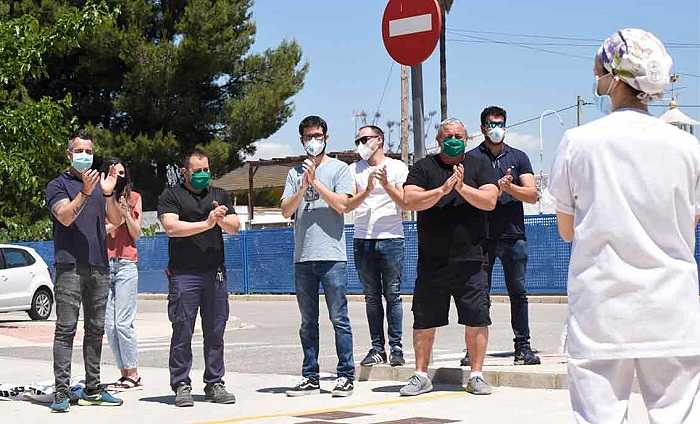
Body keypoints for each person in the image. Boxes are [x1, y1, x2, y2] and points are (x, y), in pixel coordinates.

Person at [549, 28, 700, 423]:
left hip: (603, 309)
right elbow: (691, 219)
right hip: (672, 308)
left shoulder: (578, 141)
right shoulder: (688, 147)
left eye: (599, 66)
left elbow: (567, 230)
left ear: (615, 77)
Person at [400, 118, 498, 397]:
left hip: (472, 259)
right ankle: (421, 375)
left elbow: (489, 200)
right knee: (424, 320)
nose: (453, 138)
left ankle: (476, 375)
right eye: (448, 135)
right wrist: (442, 190)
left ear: (466, 139)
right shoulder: (423, 167)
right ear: (438, 139)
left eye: (458, 135)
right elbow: (410, 199)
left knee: (477, 317)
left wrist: (461, 188)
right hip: (433, 260)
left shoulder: (480, 165)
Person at [45, 130, 124, 412]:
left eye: (89, 151)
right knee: (65, 330)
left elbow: (117, 220)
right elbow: (65, 217)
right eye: (79, 151)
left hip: (99, 266)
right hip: (69, 267)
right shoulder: (57, 185)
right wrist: (85, 193)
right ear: (69, 154)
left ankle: (93, 388)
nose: (85, 156)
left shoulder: (99, 187)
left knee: (96, 330)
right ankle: (61, 392)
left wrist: (109, 192)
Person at [158, 149, 240, 407]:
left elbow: (235, 226)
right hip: (184, 274)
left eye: (206, 170)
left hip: (214, 273)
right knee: (182, 330)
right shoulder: (171, 196)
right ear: (185, 172)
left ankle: (214, 382)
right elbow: (171, 227)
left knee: (215, 330)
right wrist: (207, 223)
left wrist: (219, 219)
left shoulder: (219, 195)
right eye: (197, 171)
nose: (203, 175)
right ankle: (181, 384)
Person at [281, 115, 355, 398]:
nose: (314, 141)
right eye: (309, 137)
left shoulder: (339, 169)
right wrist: (303, 185)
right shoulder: (293, 173)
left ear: (326, 137)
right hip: (303, 257)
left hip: (332, 256)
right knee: (307, 322)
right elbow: (286, 210)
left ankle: (345, 375)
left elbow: (342, 205)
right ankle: (310, 376)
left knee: (339, 318)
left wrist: (317, 183)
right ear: (301, 140)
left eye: (318, 136)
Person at [465, 106, 540, 367]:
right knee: (478, 293)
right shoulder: (471, 158)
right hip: (481, 237)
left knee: (518, 292)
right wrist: (489, 194)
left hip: (513, 236)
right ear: (483, 127)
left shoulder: (519, 157)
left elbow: (532, 194)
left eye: (501, 123)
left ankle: (523, 347)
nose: (496, 128)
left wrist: (510, 188)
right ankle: (473, 350)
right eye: (491, 123)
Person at [347, 125, 409, 367]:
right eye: (358, 140)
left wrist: (385, 185)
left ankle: (396, 348)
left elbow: (405, 202)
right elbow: (349, 205)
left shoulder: (397, 167)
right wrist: (369, 190)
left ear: (379, 140)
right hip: (362, 239)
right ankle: (376, 348)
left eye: (365, 139)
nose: (361, 143)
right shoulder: (354, 170)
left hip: (391, 237)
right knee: (371, 297)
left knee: (392, 294)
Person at [103, 158, 143, 389]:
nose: (118, 177)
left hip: (127, 263)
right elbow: (101, 229)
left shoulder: (134, 197)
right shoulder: (100, 198)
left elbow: (136, 234)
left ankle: (134, 373)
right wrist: (113, 220)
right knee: (109, 325)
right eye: (114, 173)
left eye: (121, 173)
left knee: (123, 323)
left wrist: (126, 215)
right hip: (105, 263)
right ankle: (123, 371)